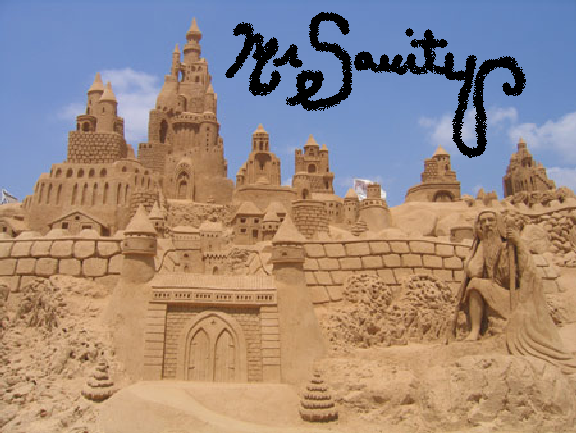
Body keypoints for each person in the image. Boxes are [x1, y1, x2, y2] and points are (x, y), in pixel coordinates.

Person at [451, 210, 576, 374]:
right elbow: (474, 271)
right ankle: (475, 331)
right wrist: (480, 245)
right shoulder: (482, 247)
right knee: (475, 284)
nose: (487, 225)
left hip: (514, 296)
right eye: (483, 222)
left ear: (498, 224)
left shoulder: (509, 246)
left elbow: (529, 271)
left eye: (490, 220)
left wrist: (518, 244)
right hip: (495, 292)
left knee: (476, 284)